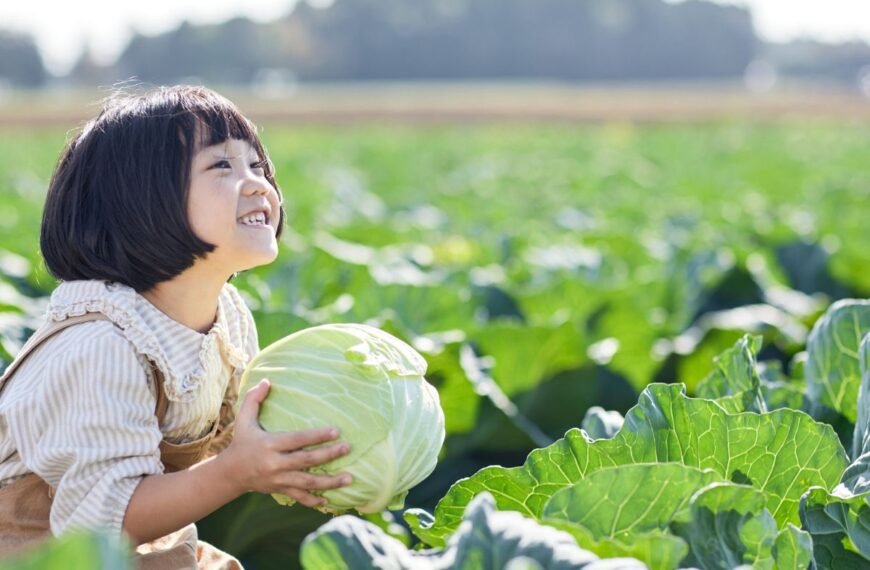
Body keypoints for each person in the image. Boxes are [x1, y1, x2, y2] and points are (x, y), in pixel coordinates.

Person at [0, 85, 352, 568]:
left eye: (257, 165)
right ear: (139, 202)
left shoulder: (228, 319)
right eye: (221, 166)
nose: (257, 184)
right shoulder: (101, 343)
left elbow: (236, 441)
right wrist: (236, 472)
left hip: (144, 549)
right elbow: (98, 526)